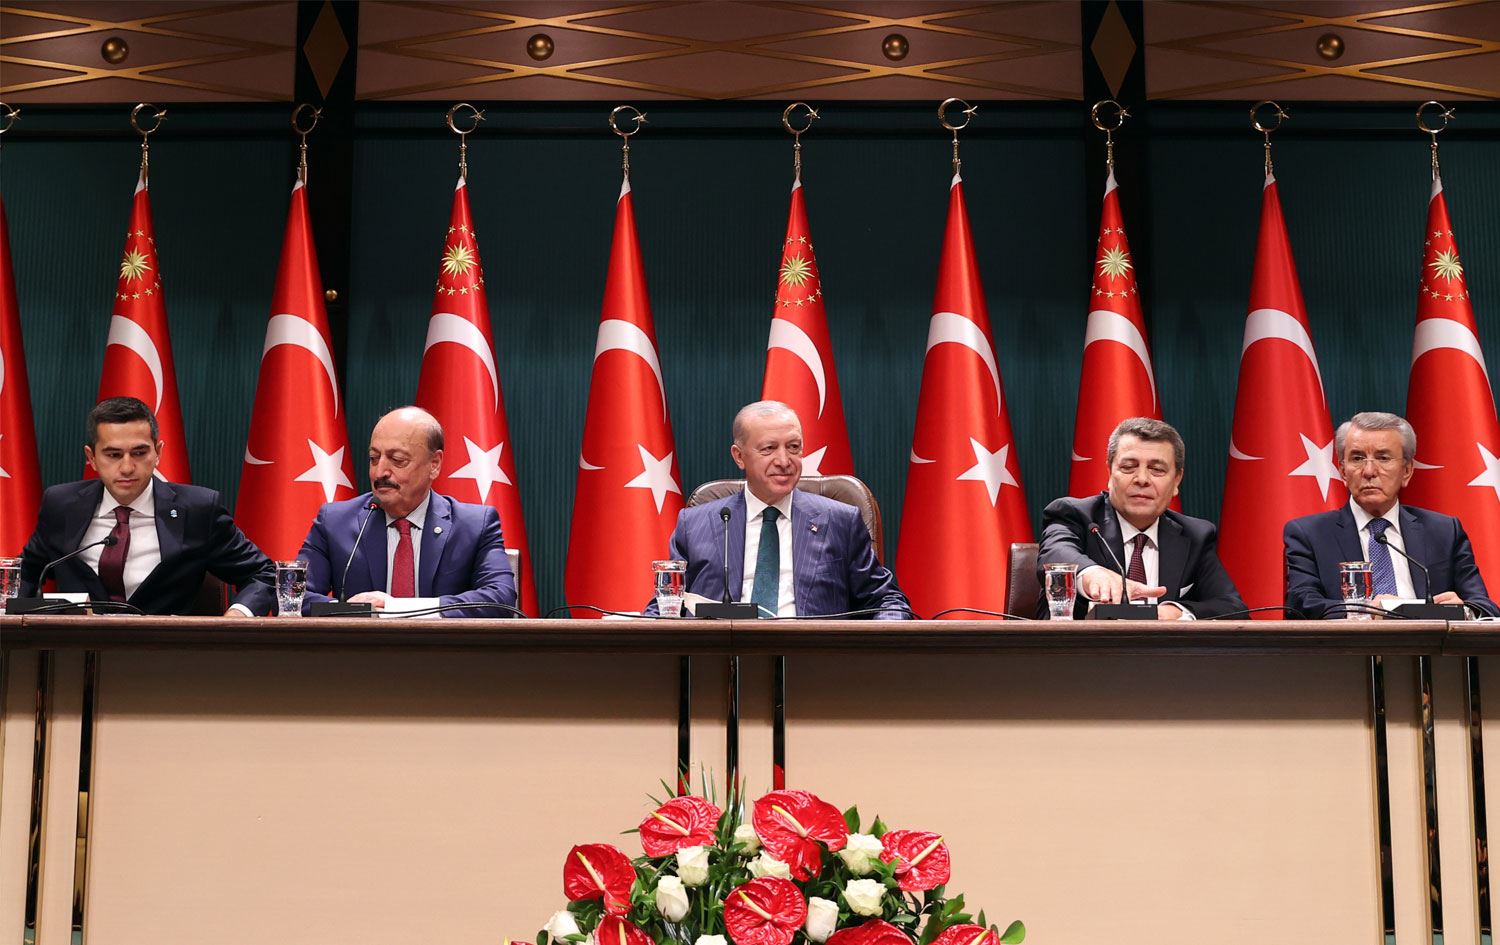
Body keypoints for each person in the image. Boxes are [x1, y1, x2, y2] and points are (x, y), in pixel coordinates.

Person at [645, 400, 911, 619]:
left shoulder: (840, 521)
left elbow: (886, 600)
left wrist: (883, 638)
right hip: (720, 659)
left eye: (793, 447)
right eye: (769, 449)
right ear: (739, 456)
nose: (784, 461)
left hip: (813, 659)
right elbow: (667, 605)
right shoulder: (695, 524)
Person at [19, 397, 275, 615]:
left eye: (139, 453)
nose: (127, 467)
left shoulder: (198, 510)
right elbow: (24, 575)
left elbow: (263, 574)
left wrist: (237, 616)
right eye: (113, 455)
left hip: (163, 652)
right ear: (92, 457)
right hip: (75, 651)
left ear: (158, 452)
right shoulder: (62, 506)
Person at [297, 406, 516, 617]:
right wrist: (351, 611)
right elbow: (290, 596)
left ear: (434, 464)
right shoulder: (335, 522)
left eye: (397, 460)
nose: (380, 472)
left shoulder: (474, 525)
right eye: (374, 458)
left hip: (443, 643)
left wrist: (395, 608)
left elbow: (500, 598)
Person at [1284, 411, 1496, 618]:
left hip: (1428, 641)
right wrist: (1365, 611)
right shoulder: (1309, 535)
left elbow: (1484, 606)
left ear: (1407, 471)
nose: (1369, 471)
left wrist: (1463, 611)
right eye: (1357, 458)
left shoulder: (1444, 532)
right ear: (1342, 471)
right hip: (1350, 641)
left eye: (1383, 458)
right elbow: (1301, 605)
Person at [1037, 417, 1246, 619]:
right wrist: (1092, 573)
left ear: (1176, 480)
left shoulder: (1196, 535)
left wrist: (1175, 612)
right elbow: (1054, 553)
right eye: (1129, 467)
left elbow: (1232, 608)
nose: (1142, 479)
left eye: (1157, 470)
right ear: (1110, 472)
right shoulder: (1075, 515)